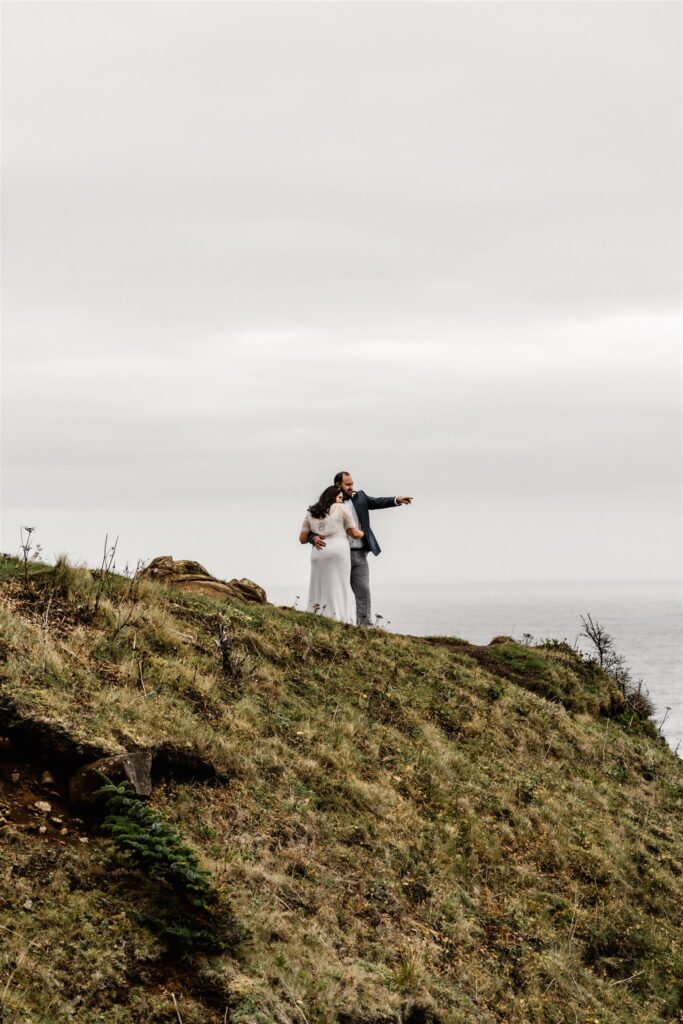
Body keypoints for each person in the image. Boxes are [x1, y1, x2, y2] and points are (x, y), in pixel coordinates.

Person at [307, 472, 412, 627]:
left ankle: (365, 627)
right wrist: (312, 538)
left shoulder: (360, 497)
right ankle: (336, 621)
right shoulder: (326, 504)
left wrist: (396, 500)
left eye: (352, 484)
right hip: (338, 556)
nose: (351, 487)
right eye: (348, 484)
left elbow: (377, 502)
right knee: (337, 589)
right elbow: (313, 525)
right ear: (338, 485)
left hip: (360, 553)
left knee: (363, 590)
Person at [299, 485, 365, 624]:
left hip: (318, 553)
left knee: (319, 585)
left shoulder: (311, 512)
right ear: (332, 497)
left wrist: (313, 537)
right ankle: (341, 618)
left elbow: (302, 539)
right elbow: (353, 533)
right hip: (338, 552)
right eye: (340, 497)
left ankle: (317, 616)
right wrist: (364, 533)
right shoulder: (342, 508)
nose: (341, 501)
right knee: (340, 585)